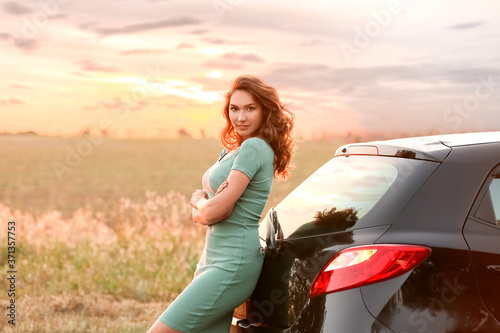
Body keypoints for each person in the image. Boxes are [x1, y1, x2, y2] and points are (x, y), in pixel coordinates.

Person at [147, 75, 295, 333]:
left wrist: (200, 201)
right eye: (234, 109)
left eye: (250, 108)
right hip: (213, 256)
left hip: (232, 262)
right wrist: (207, 209)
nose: (241, 117)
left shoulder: (255, 148)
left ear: (265, 111)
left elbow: (216, 210)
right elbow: (206, 215)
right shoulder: (231, 151)